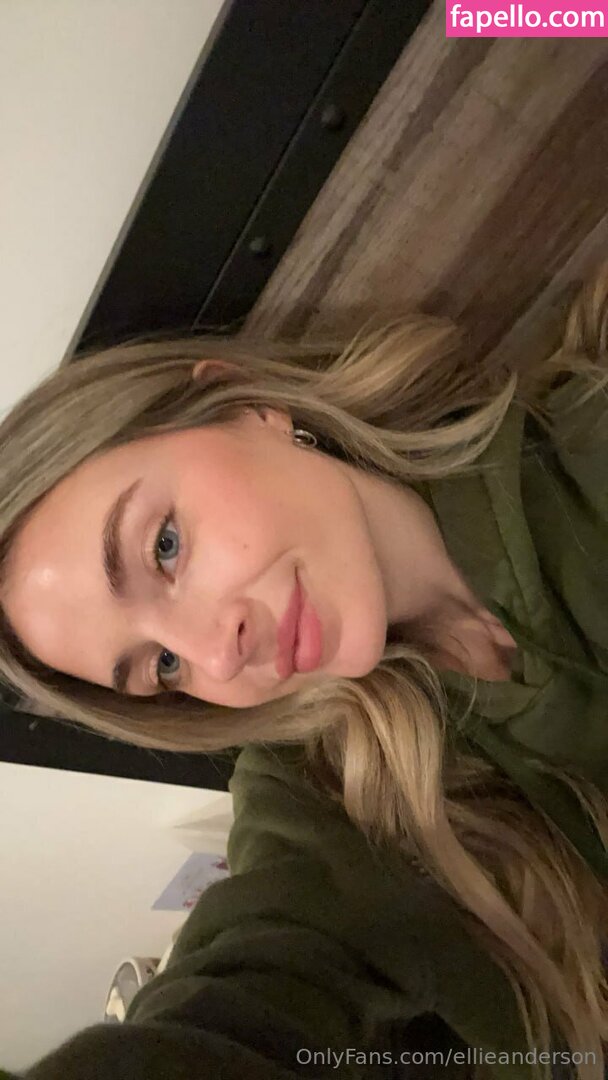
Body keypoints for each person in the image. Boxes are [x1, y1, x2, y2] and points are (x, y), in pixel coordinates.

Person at [1, 268, 607, 1079]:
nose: (217, 654)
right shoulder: (320, 797)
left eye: (165, 547)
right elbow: (267, 976)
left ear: (248, 406)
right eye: (164, 666)